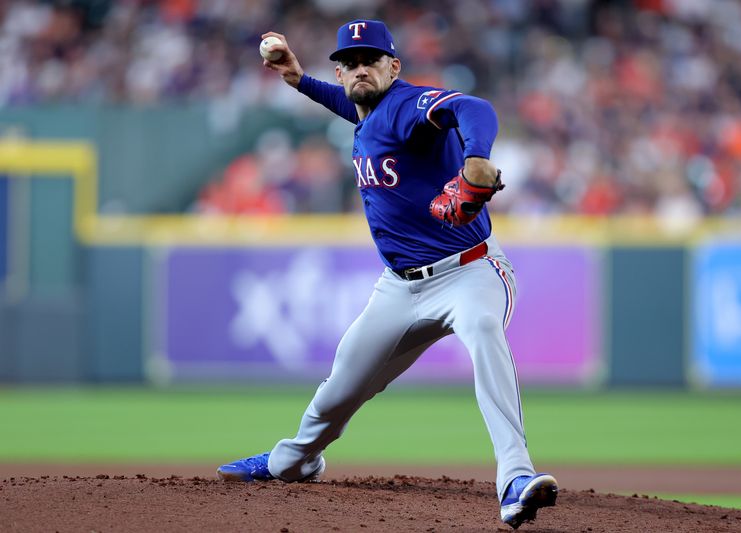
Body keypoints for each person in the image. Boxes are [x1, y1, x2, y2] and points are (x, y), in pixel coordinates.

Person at [216, 19, 558, 529]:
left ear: (392, 67)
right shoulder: (367, 110)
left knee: (485, 333)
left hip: (470, 273)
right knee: (339, 389)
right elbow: (354, 107)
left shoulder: (406, 105)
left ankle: (514, 477)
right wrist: (298, 80)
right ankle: (293, 461)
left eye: (369, 60)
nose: (358, 70)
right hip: (398, 287)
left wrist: (478, 157)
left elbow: (473, 108)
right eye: (349, 63)